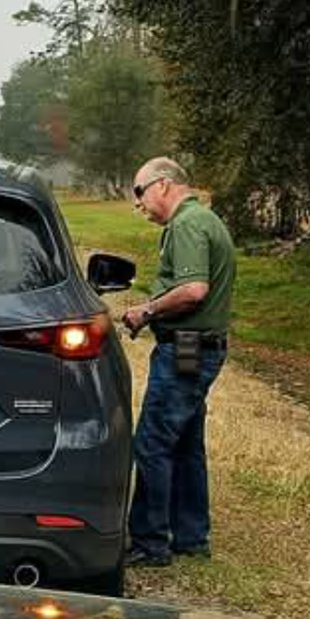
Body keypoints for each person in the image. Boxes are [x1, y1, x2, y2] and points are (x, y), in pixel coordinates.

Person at [120, 157, 236, 569]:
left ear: (164, 185)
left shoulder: (187, 224)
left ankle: (150, 543)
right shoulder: (204, 219)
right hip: (197, 345)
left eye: (140, 193)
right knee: (186, 443)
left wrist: (146, 311)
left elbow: (193, 290)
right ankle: (191, 537)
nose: (139, 204)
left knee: (152, 442)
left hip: (187, 347)